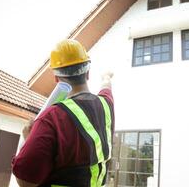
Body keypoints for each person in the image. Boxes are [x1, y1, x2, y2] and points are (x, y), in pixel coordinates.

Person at [12, 39, 114, 187]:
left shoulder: (51, 117)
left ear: (56, 78)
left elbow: (25, 181)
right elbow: (107, 88)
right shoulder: (106, 105)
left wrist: (28, 140)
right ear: (88, 73)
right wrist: (106, 77)